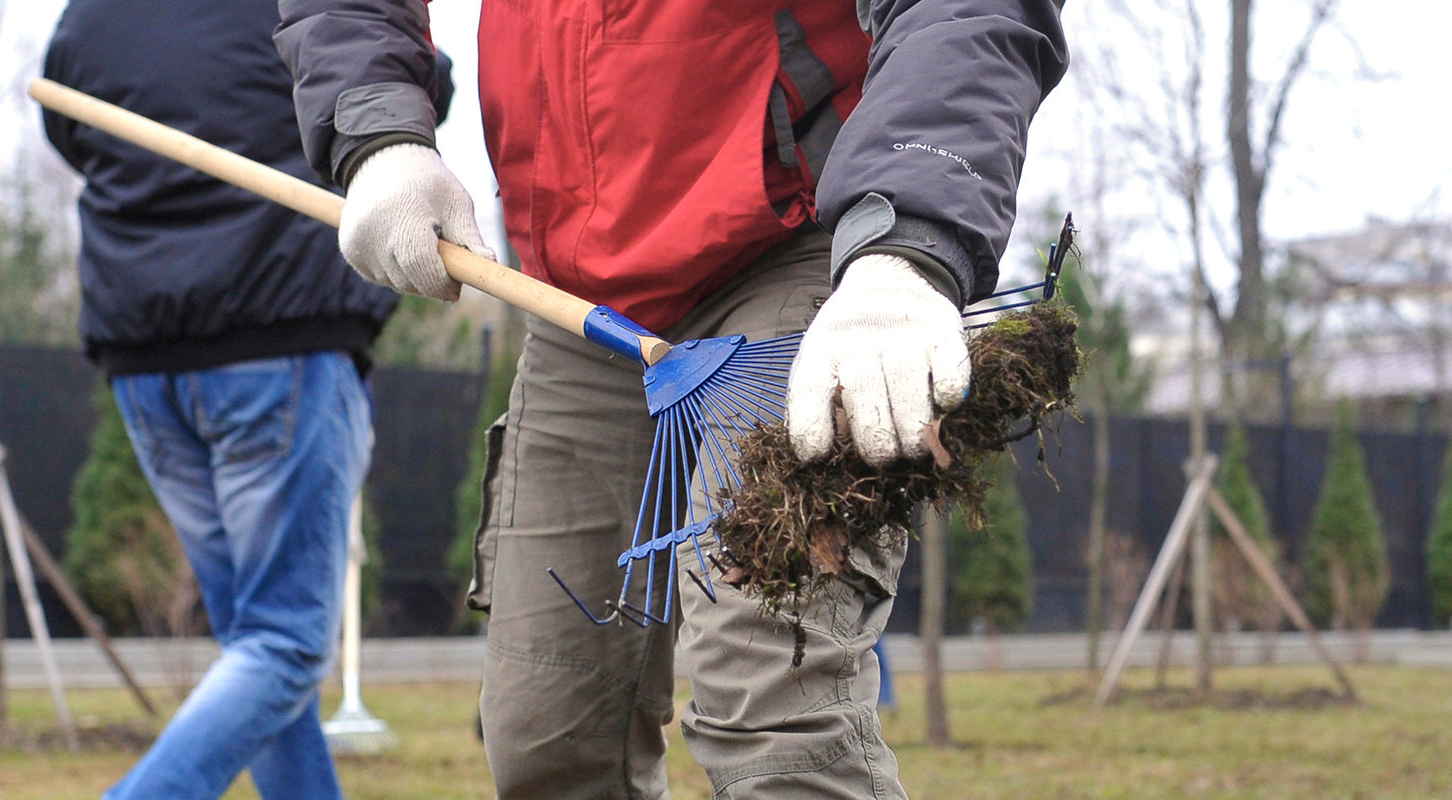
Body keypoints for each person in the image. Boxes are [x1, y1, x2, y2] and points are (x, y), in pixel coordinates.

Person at [275, 1, 1067, 797]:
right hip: (581, 292)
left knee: (773, 702)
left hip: (801, 236)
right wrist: (376, 130)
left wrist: (907, 239)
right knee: (551, 738)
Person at [41, 2, 450, 797]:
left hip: (143, 355)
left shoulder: (89, 16)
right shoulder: (299, 10)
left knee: (255, 642)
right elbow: (410, 83)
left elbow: (71, 134)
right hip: (278, 335)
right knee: (286, 643)